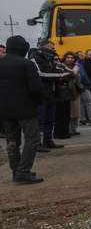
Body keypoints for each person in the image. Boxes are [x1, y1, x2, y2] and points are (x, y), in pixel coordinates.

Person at [0, 36, 46, 184]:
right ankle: (23, 172)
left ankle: (16, 172)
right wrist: (37, 103)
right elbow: (37, 88)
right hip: (26, 109)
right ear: (22, 48)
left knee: (12, 141)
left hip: (5, 110)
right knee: (32, 139)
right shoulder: (26, 64)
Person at [30, 40, 66, 152]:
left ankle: (48, 140)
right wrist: (59, 75)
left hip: (52, 93)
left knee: (50, 119)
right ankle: (38, 143)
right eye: (51, 48)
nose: (53, 50)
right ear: (43, 48)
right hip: (41, 94)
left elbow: (54, 72)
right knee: (40, 120)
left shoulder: (50, 59)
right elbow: (41, 74)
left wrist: (61, 76)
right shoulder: (35, 58)